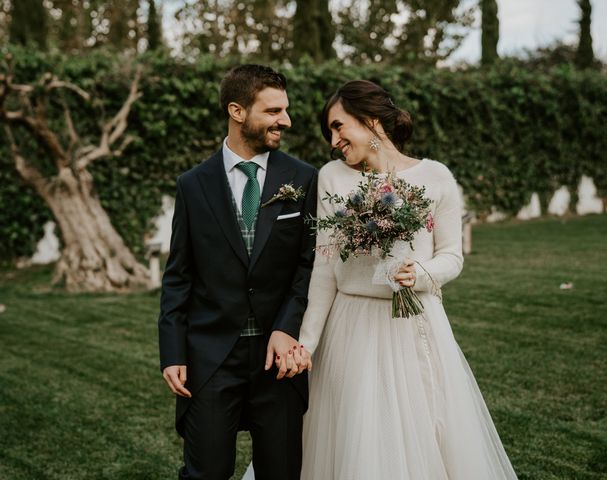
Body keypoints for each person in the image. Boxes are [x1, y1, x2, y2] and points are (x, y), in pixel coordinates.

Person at [296, 80, 519, 479]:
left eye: (338, 126)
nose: (334, 141)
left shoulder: (436, 177)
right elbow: (325, 268)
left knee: (425, 428)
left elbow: (452, 256)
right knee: (356, 435)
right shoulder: (332, 177)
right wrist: (308, 343)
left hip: (415, 322)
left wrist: (421, 273)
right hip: (351, 328)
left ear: (369, 120)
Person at [158, 64, 317, 480]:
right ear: (237, 111)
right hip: (211, 357)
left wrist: (287, 327)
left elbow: (308, 264)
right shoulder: (193, 185)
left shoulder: (303, 178)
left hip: (277, 359)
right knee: (205, 472)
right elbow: (179, 275)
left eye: (285, 110)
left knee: (280, 472)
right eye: (274, 111)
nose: (286, 120)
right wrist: (173, 352)